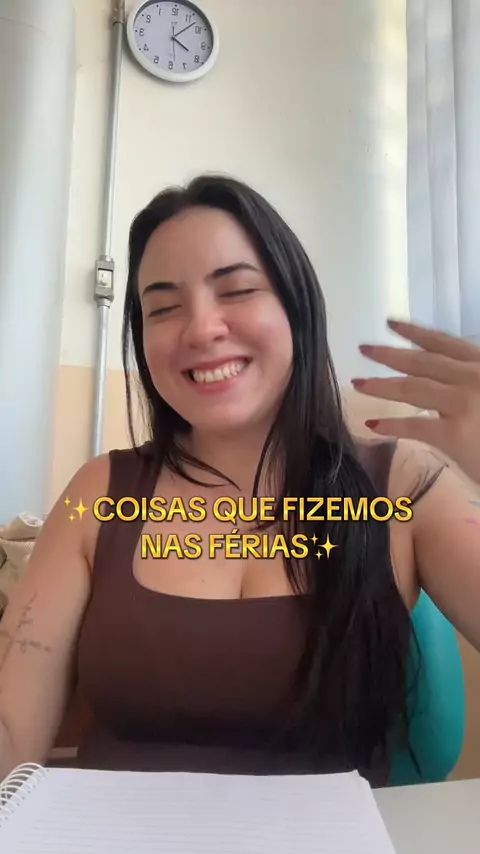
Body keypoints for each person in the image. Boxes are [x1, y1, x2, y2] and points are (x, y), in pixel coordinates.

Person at [0, 175, 479, 786]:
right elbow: (11, 734)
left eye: (238, 290)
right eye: (163, 308)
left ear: (297, 308)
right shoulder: (100, 493)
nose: (201, 329)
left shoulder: (406, 485)